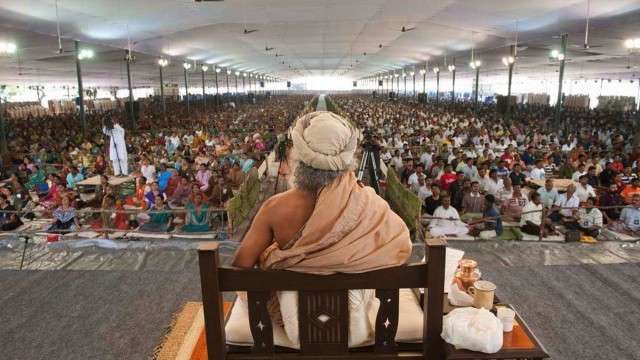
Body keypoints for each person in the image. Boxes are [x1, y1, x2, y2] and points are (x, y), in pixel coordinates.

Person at [232, 111, 411, 276]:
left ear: (300, 157)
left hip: (293, 308)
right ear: (345, 159)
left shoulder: (274, 208)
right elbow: (399, 248)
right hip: (354, 309)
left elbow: (241, 266)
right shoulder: (370, 205)